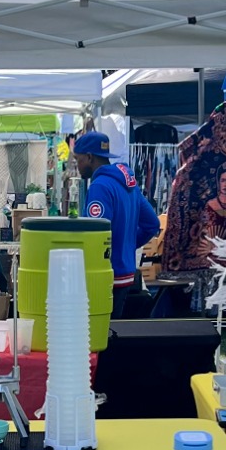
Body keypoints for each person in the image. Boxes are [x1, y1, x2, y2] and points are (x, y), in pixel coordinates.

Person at [73, 130, 162, 314]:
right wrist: (127, 245)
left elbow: (96, 234)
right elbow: (152, 223)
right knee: (114, 326)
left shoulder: (100, 187)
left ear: (89, 157)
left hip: (104, 275)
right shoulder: (129, 185)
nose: (77, 166)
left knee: (99, 328)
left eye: (78, 159)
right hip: (126, 274)